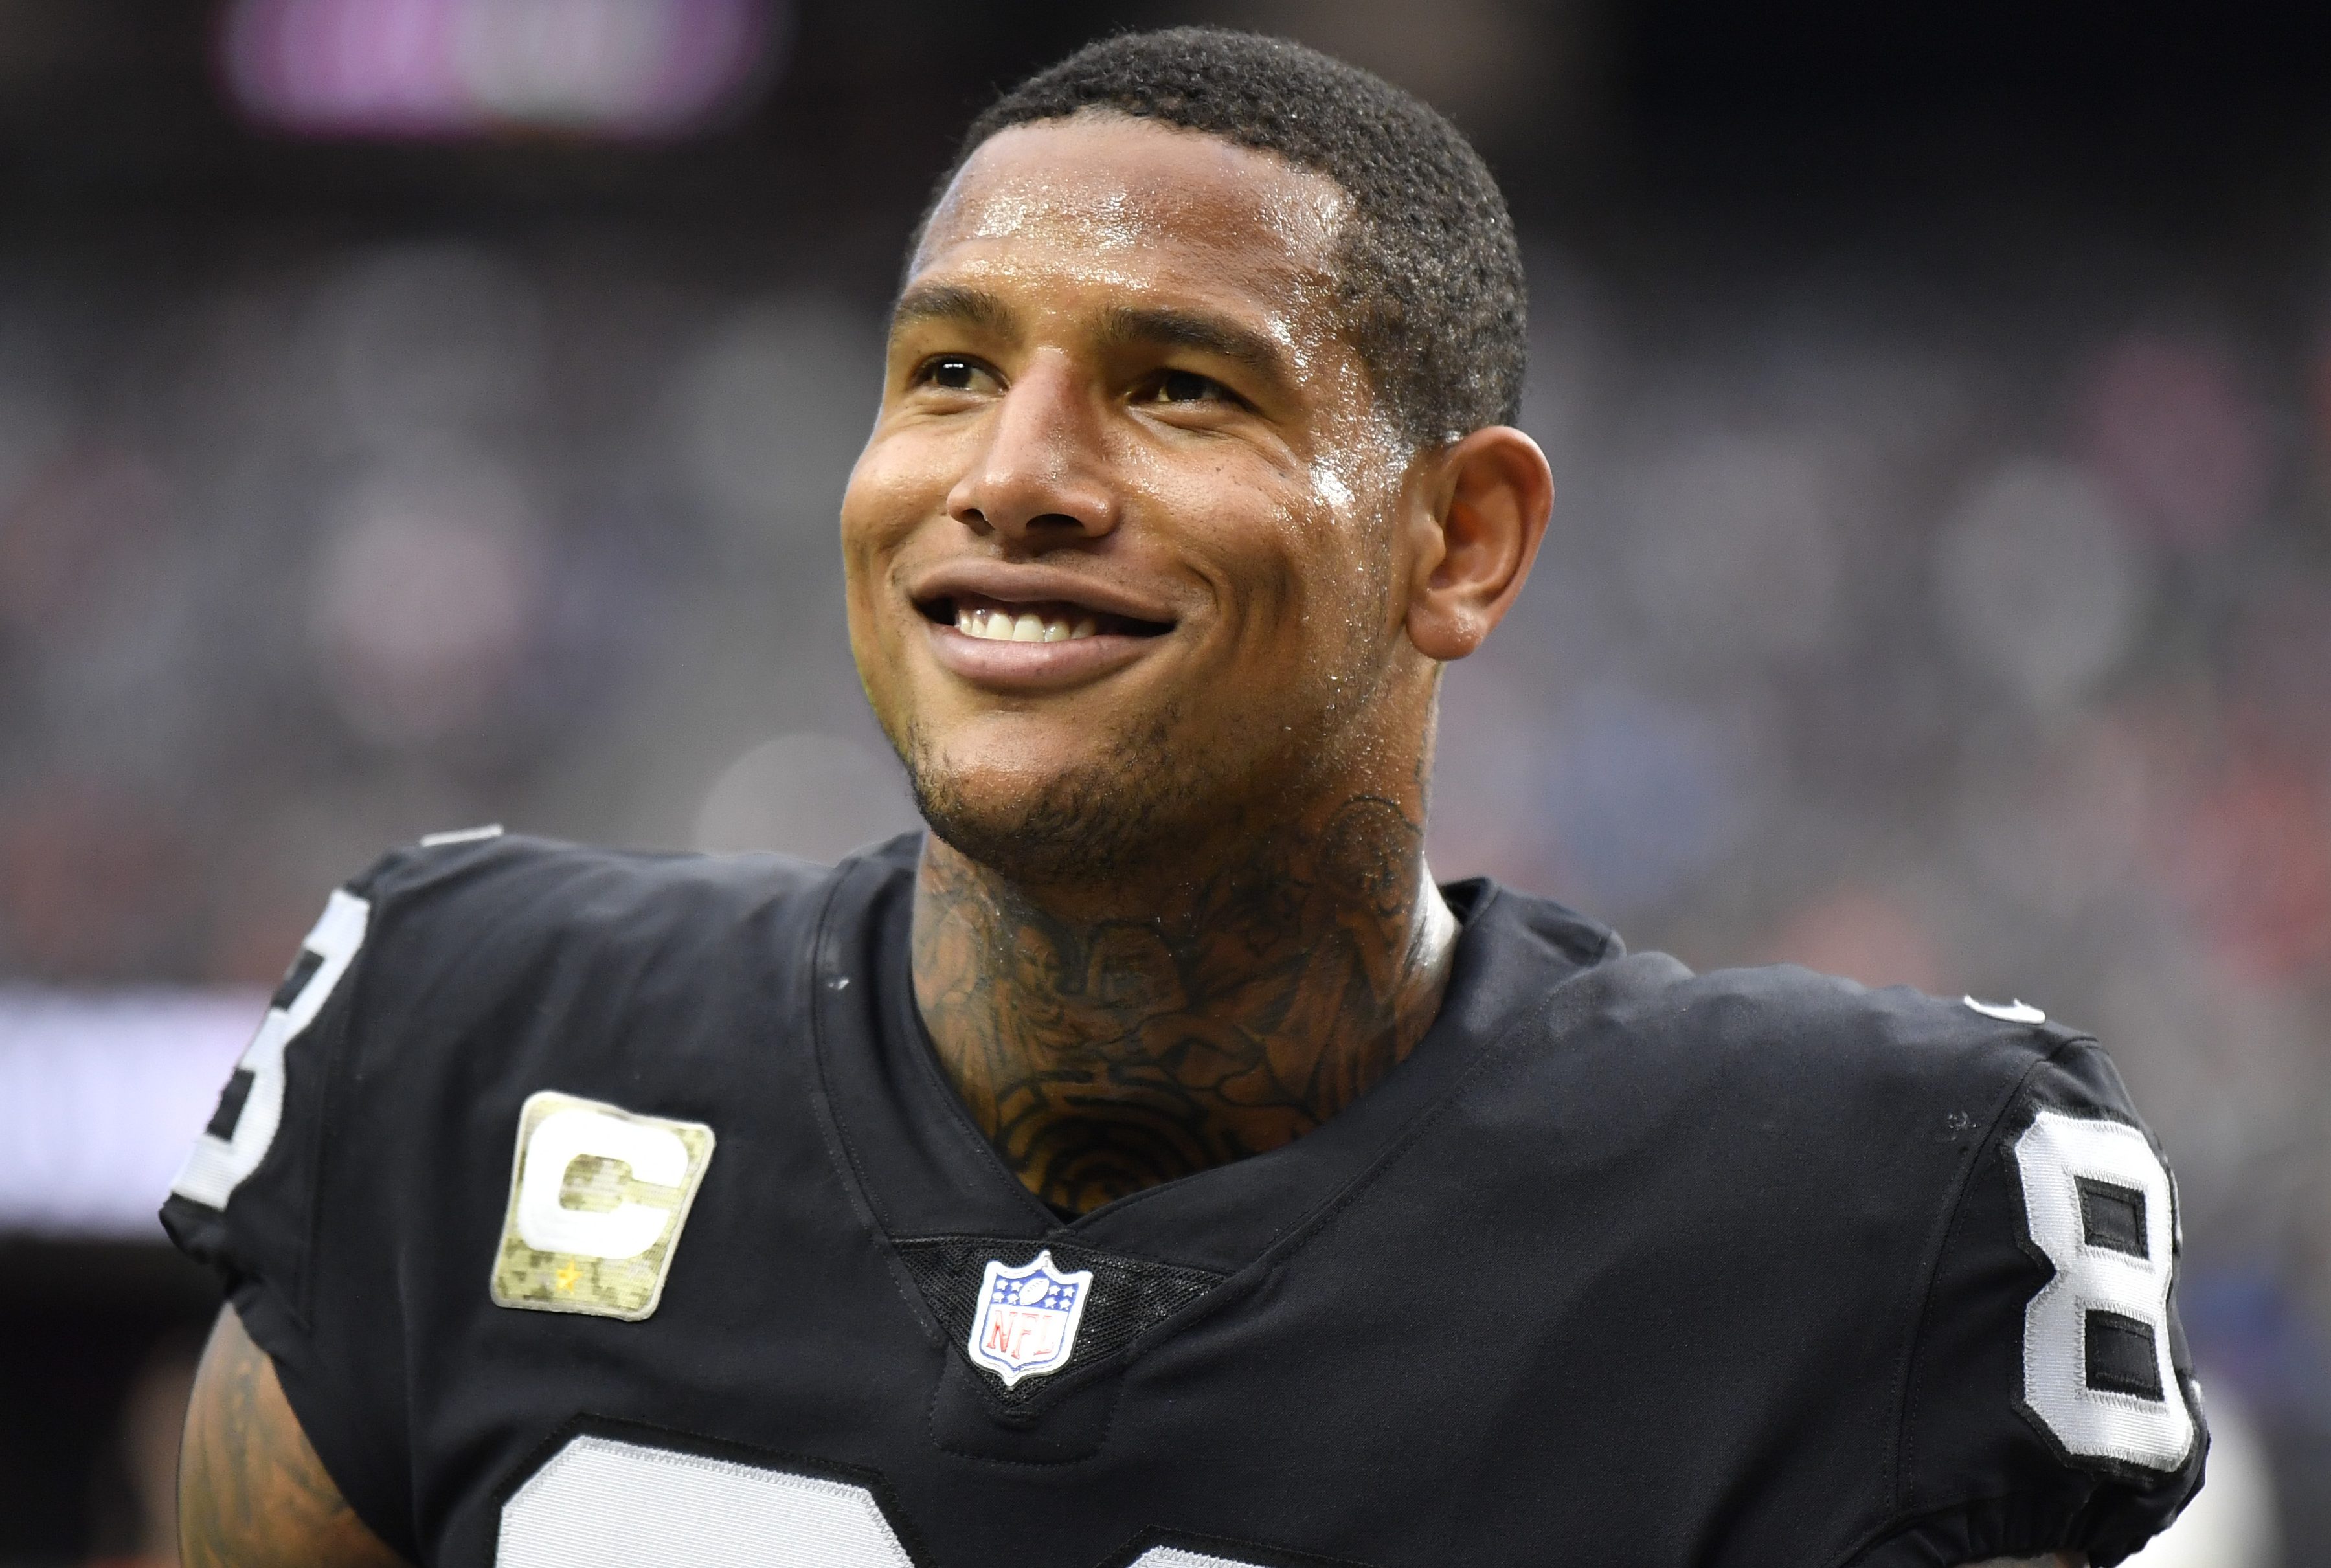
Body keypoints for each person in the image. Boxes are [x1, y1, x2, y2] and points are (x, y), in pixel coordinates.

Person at [163, 28, 2207, 1568]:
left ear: (1461, 542)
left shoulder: (1857, 1216)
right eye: (948, 370)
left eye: (1177, 386)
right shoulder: (461, 1041)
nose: (1013, 475)